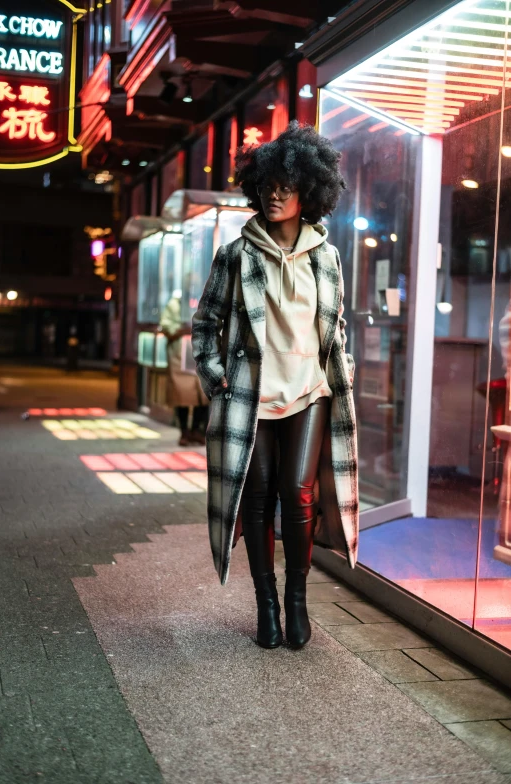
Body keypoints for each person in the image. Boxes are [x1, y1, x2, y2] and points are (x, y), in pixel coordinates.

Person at [191, 122, 358, 650]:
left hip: (309, 392)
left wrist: (342, 367)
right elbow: (204, 325)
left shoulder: (327, 258)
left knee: (298, 492)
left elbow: (335, 325)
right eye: (267, 184)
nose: (275, 192)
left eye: (287, 183)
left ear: (310, 189)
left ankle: (297, 601)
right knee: (259, 497)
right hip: (252, 396)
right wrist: (218, 379)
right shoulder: (235, 255)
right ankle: (265, 605)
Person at [160, 289, 209, 446]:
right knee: (181, 395)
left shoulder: (205, 300)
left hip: (200, 355)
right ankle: (184, 432)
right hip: (179, 357)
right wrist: (182, 330)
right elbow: (166, 327)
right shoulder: (174, 304)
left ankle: (196, 430)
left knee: (202, 395)